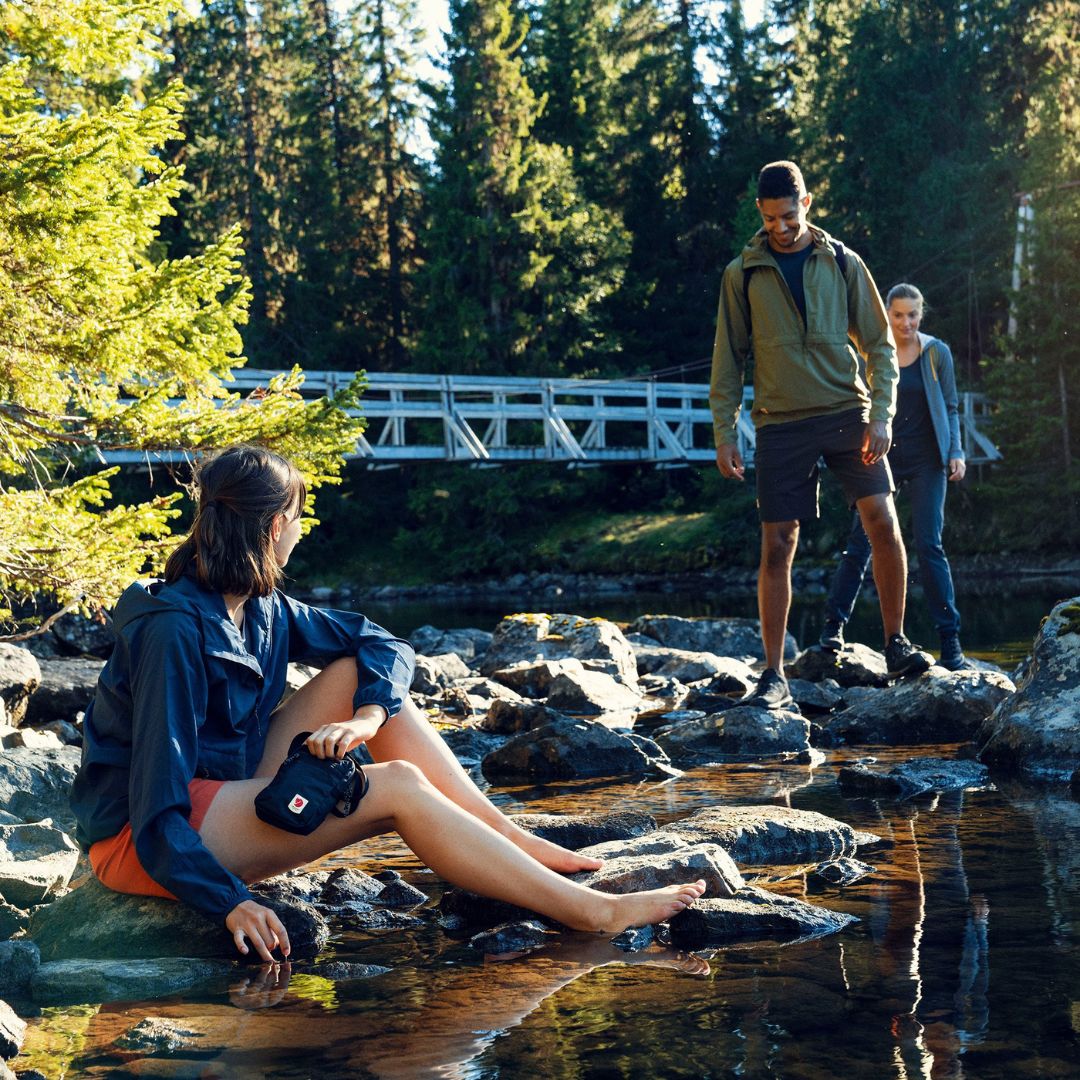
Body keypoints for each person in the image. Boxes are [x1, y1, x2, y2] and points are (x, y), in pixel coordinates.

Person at [69, 445, 707, 961]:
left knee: (358, 674)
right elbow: (155, 808)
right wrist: (228, 900)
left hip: (220, 784)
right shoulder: (172, 630)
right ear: (273, 527)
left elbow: (381, 641)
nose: (300, 531)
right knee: (397, 786)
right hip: (144, 836)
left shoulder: (260, 605)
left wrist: (369, 715)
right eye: (297, 517)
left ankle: (512, 838)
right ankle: (590, 912)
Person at [709, 161, 932, 709]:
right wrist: (724, 432)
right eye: (769, 219)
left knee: (882, 519)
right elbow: (727, 360)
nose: (780, 228)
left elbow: (880, 346)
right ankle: (773, 673)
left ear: (806, 203)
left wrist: (880, 415)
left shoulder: (842, 261)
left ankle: (896, 644)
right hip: (780, 422)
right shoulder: (743, 273)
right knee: (778, 543)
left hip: (845, 413)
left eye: (788, 216)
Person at [819, 284, 971, 670]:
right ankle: (832, 629)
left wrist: (955, 451)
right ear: (887, 313)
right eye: (898, 314)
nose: (906, 322)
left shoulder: (937, 353)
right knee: (860, 544)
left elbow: (951, 406)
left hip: (927, 461)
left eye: (913, 315)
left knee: (928, 544)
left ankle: (950, 643)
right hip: (877, 457)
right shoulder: (871, 350)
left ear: (922, 314)